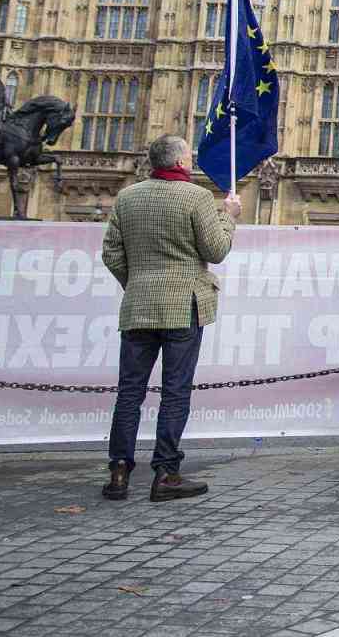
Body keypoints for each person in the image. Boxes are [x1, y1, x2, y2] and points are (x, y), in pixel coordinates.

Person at [99, 134, 242, 503]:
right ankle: (166, 473)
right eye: (189, 157)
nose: (192, 162)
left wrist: (139, 283)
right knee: (175, 392)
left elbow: (111, 253)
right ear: (179, 163)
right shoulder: (196, 197)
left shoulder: (127, 197)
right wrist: (229, 217)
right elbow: (216, 249)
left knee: (129, 392)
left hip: (138, 307)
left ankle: (118, 471)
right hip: (183, 306)